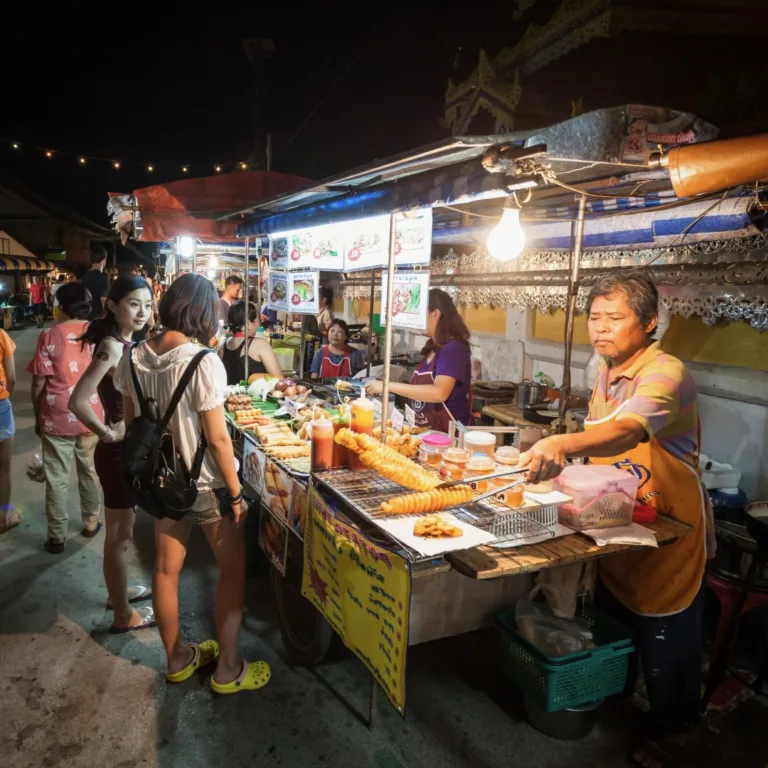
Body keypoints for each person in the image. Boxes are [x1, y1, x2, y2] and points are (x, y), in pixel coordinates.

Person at [515, 271, 707, 766]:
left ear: (647, 323)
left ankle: (676, 733)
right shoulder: (605, 368)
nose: (601, 328)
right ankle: (617, 707)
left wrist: (560, 443)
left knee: (665, 643)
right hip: (617, 517)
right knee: (619, 626)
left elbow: (626, 433)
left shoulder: (666, 372)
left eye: (615, 318)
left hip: (668, 526)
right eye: (594, 317)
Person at [114, 273, 270, 693]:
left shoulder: (131, 356)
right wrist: (237, 493)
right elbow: (219, 439)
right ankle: (228, 670)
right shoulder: (204, 361)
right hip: (205, 485)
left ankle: (178, 659)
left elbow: (134, 426)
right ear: (202, 312)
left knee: (166, 572)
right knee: (233, 571)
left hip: (161, 482)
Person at [70, 276, 155, 633]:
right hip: (117, 452)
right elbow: (77, 400)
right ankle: (122, 614)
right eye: (134, 304)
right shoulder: (113, 346)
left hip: (129, 450)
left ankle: (117, 594)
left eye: (148, 305)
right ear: (112, 305)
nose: (142, 312)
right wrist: (108, 431)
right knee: (119, 537)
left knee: (124, 533)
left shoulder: (126, 342)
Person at [27, 283, 105, 553]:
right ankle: (91, 522)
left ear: (60, 307)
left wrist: (39, 415)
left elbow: (39, 384)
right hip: (91, 415)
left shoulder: (50, 335)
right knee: (90, 472)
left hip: (55, 415)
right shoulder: (97, 333)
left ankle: (57, 537)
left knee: (57, 477)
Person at [365, 289, 472, 430]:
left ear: (435, 314)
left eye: (420, 315)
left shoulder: (453, 349)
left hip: (448, 436)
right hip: (426, 431)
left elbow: (439, 393)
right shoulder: (433, 348)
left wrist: (387, 386)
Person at [219, 301, 282, 384]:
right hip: (252, 397)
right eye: (258, 320)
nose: (259, 325)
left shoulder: (222, 347)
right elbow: (279, 380)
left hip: (230, 396)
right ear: (249, 324)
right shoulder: (260, 344)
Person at [0, 327, 19, 534]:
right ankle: (2, 519)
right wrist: (6, 398)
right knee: (3, 468)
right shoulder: (1, 336)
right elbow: (11, 377)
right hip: (0, 404)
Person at [82, 244, 110, 320]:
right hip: (98, 319)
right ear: (104, 259)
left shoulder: (85, 277)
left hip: (85, 317)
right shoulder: (103, 277)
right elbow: (103, 300)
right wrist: (107, 317)